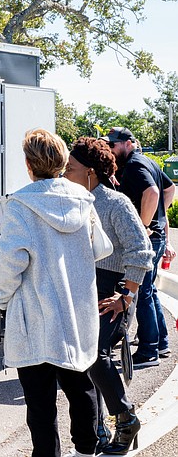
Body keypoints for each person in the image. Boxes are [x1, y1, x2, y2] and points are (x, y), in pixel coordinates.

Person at [0, 128, 100, 457]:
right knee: (81, 387)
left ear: (28, 164)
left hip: (35, 315)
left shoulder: (20, 205)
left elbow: (12, 259)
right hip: (76, 310)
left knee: (40, 404)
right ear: (62, 161)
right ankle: (86, 449)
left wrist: (0, 296)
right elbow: (97, 249)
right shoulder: (84, 199)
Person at [63, 137, 154, 454]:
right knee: (82, 364)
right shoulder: (72, 202)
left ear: (90, 172)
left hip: (114, 292)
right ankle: (99, 429)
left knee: (95, 355)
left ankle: (126, 419)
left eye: (70, 167)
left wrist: (126, 297)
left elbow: (141, 252)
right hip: (82, 290)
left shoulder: (116, 203)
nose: (64, 172)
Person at [103, 126, 174, 368]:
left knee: (141, 293)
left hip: (148, 237)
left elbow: (153, 192)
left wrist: (144, 225)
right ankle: (160, 342)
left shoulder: (134, 165)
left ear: (128, 143)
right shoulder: (144, 162)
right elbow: (169, 189)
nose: (110, 149)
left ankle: (148, 352)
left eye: (113, 145)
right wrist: (159, 220)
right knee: (149, 291)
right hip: (155, 237)